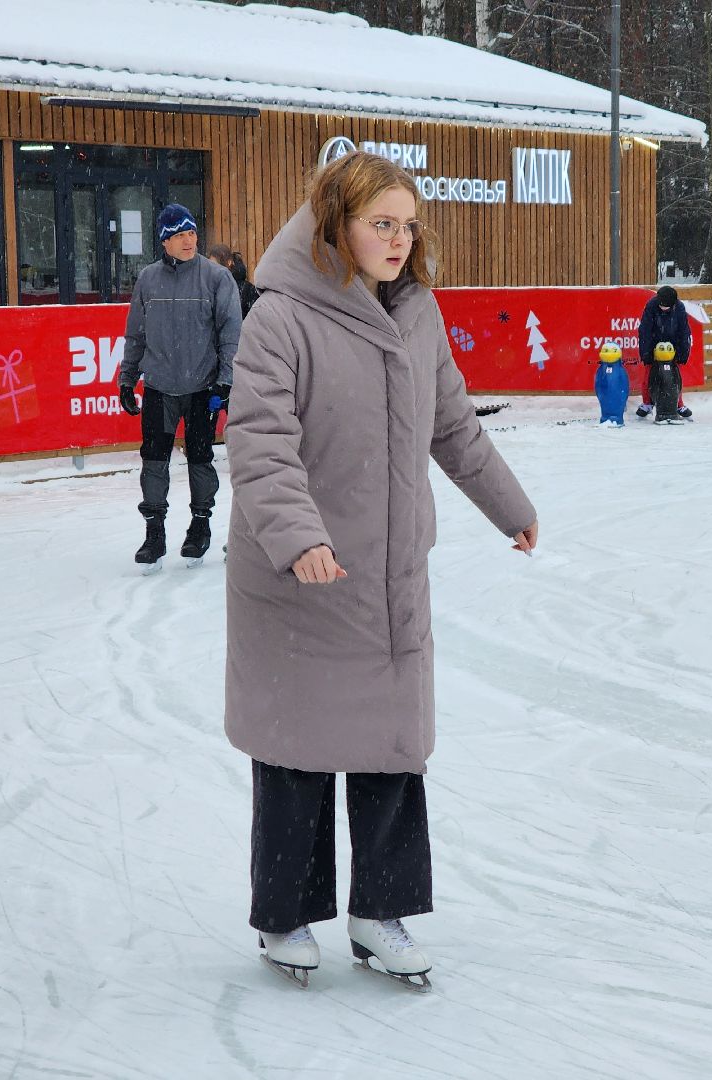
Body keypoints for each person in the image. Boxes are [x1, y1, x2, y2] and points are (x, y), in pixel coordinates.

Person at [224, 150, 539, 988]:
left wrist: (512, 506)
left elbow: (454, 427)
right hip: (301, 578)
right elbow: (259, 441)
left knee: (392, 750)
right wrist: (299, 536)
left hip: (389, 575)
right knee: (295, 752)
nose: (399, 239)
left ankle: (380, 913)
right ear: (338, 224)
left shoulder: (418, 316)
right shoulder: (281, 317)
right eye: (381, 223)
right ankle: (287, 915)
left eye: (407, 224)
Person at [118, 204, 242, 570]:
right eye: (179, 236)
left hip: (203, 387)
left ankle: (200, 525)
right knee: (153, 461)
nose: (188, 241)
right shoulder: (148, 280)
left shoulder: (216, 278)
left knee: (201, 459)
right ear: (164, 241)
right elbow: (135, 334)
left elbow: (231, 334)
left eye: (191, 233)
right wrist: (128, 378)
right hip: (159, 387)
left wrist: (226, 378)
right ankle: (154, 532)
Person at [636, 285, 693, 419]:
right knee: (648, 376)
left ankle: (678, 404)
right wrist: (646, 353)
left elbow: (684, 331)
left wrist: (683, 352)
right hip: (655, 345)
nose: (663, 308)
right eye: (661, 305)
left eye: (666, 306)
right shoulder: (651, 306)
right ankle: (647, 403)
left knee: (675, 378)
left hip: (671, 348)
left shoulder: (679, 308)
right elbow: (645, 331)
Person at [207, 243, 261, 319]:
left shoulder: (247, 290)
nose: (212, 270)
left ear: (229, 262)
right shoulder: (209, 288)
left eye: (215, 266)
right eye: (210, 266)